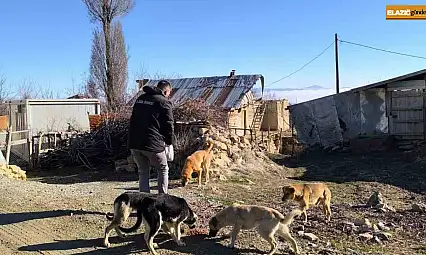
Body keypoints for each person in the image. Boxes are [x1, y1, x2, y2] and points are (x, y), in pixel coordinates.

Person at [128, 80, 174, 194]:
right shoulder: (164, 102)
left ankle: (144, 203)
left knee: (143, 172)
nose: (169, 95)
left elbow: (133, 120)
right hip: (152, 144)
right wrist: (169, 142)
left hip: (135, 142)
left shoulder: (140, 99)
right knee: (163, 169)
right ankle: (162, 200)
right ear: (166, 91)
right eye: (169, 93)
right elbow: (169, 124)